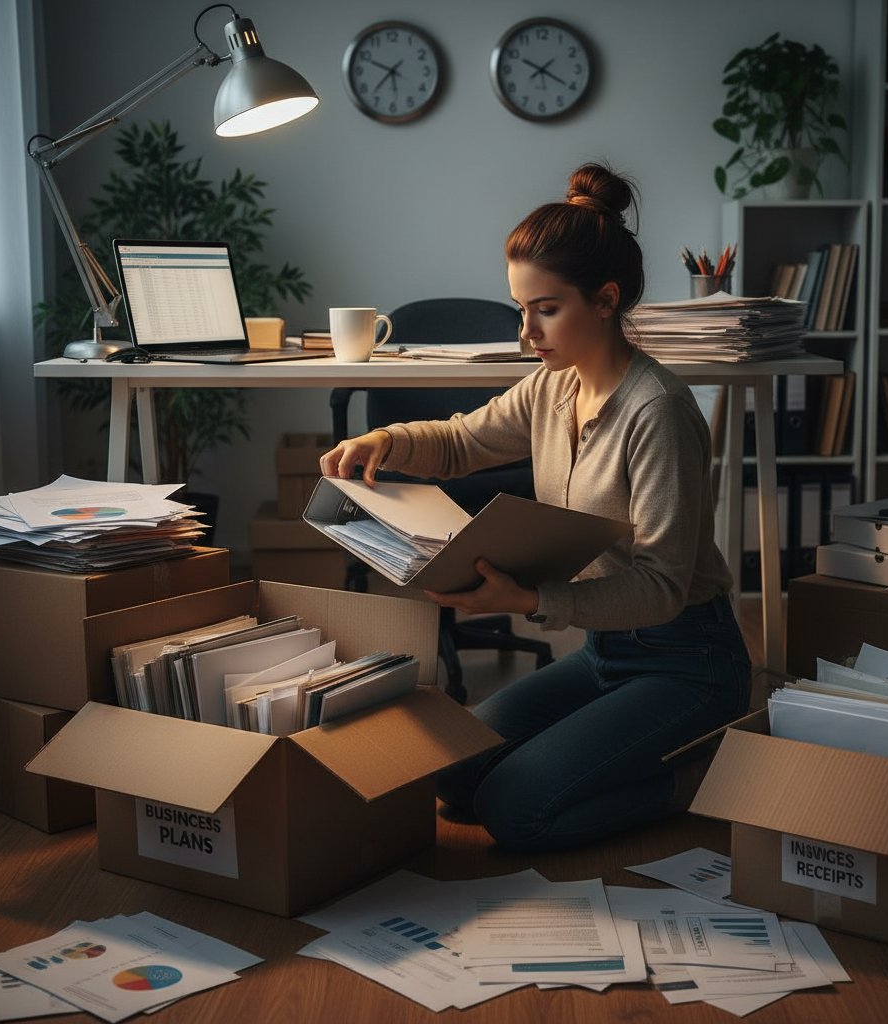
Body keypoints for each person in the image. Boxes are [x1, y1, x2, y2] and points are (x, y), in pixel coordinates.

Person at [320, 162, 751, 851]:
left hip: (687, 661)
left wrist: (527, 600)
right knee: (455, 779)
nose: (527, 332)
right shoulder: (553, 386)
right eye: (522, 308)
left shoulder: (658, 411)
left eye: (545, 309)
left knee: (516, 812)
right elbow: (462, 441)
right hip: (602, 652)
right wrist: (383, 440)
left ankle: (702, 781)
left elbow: (664, 588)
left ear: (605, 300)